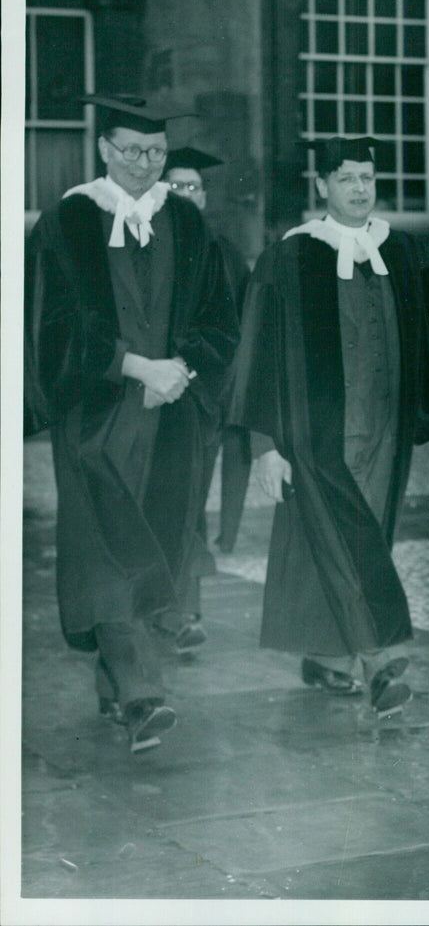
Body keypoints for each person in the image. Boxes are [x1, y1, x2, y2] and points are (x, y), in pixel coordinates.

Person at [24, 94, 239, 752]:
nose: (146, 163)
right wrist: (133, 366)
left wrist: (182, 366)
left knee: (154, 541)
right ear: (104, 150)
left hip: (172, 413)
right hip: (97, 414)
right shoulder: (67, 222)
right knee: (105, 550)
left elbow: (217, 315)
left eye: (157, 152)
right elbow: (49, 325)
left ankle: (114, 683)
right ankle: (145, 693)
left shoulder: (189, 222)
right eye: (132, 150)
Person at [229, 136, 429, 717]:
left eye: (367, 177)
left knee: (361, 536)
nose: (359, 188)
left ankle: (328, 657)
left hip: (386, 430)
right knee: (348, 539)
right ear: (323, 187)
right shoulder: (289, 258)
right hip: (315, 436)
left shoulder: (404, 252)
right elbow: (255, 353)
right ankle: (380, 661)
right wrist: (264, 444)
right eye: (346, 179)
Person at [157, 146, 253, 651]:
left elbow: (237, 329)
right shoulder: (142, 241)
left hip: (203, 400)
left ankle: (183, 611)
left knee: (189, 503)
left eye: (193, 187)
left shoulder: (223, 251)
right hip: (150, 395)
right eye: (175, 187)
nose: (185, 196)